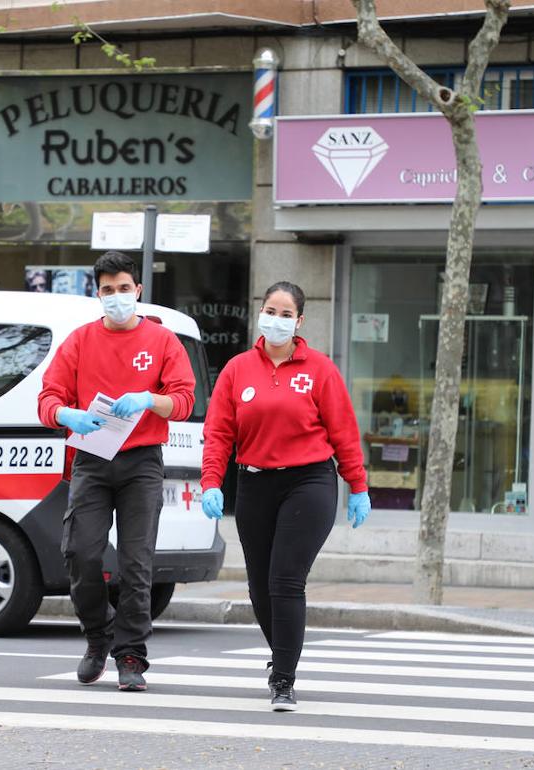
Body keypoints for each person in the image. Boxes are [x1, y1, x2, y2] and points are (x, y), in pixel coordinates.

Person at [199, 280, 371, 712]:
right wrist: (211, 482)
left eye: (284, 313)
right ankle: (284, 651)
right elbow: (219, 432)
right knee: (259, 587)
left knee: (285, 580)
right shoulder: (238, 369)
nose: (275, 320)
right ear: (260, 313)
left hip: (308, 482)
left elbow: (344, 432)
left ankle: (283, 678)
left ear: (299, 321)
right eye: (269, 311)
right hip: (255, 482)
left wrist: (359, 486)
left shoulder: (319, 369)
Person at [38, 251, 195, 692]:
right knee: (82, 554)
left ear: (138, 290)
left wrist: (148, 399)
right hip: (91, 457)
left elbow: (183, 401)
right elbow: (47, 400)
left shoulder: (163, 342)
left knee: (136, 562)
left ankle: (131, 656)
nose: (117, 297)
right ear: (97, 293)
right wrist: (68, 415)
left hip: (142, 461)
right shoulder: (80, 340)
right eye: (108, 290)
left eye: (124, 288)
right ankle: (97, 636)